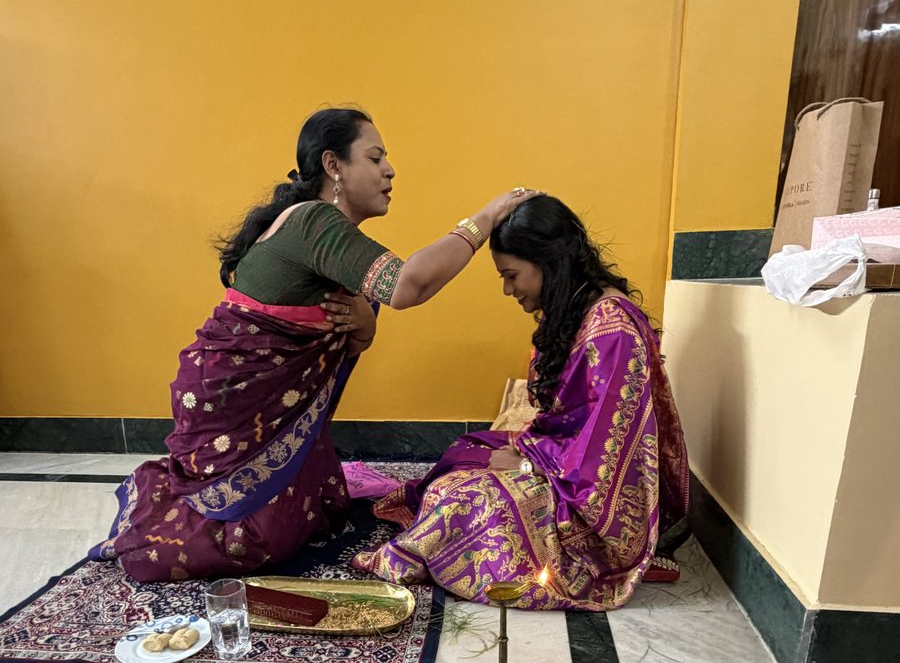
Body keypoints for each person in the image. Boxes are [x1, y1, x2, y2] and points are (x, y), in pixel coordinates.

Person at [91, 107, 537, 582]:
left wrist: (364, 320)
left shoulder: (325, 234)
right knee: (254, 541)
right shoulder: (312, 222)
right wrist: (485, 218)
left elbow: (351, 339)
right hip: (230, 409)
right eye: (375, 157)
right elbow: (409, 285)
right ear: (333, 166)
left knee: (322, 509)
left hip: (259, 412)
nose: (390, 170)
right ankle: (160, 515)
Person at [353, 195, 690, 611]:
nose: (508, 289)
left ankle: (427, 549)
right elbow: (569, 423)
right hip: (565, 466)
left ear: (548, 262)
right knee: (468, 450)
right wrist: (526, 451)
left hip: (597, 514)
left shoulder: (612, 330)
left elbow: (608, 458)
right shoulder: (579, 310)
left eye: (512, 275)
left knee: (463, 497)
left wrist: (528, 463)